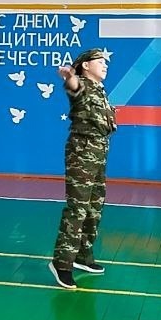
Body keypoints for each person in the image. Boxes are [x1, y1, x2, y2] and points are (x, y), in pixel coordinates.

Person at [48, 48, 117, 290]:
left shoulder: (99, 89)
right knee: (77, 208)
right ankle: (62, 264)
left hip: (98, 153)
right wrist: (69, 76)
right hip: (82, 154)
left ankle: (82, 255)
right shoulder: (83, 85)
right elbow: (74, 87)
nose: (105, 65)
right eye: (100, 61)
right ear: (86, 65)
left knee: (94, 207)